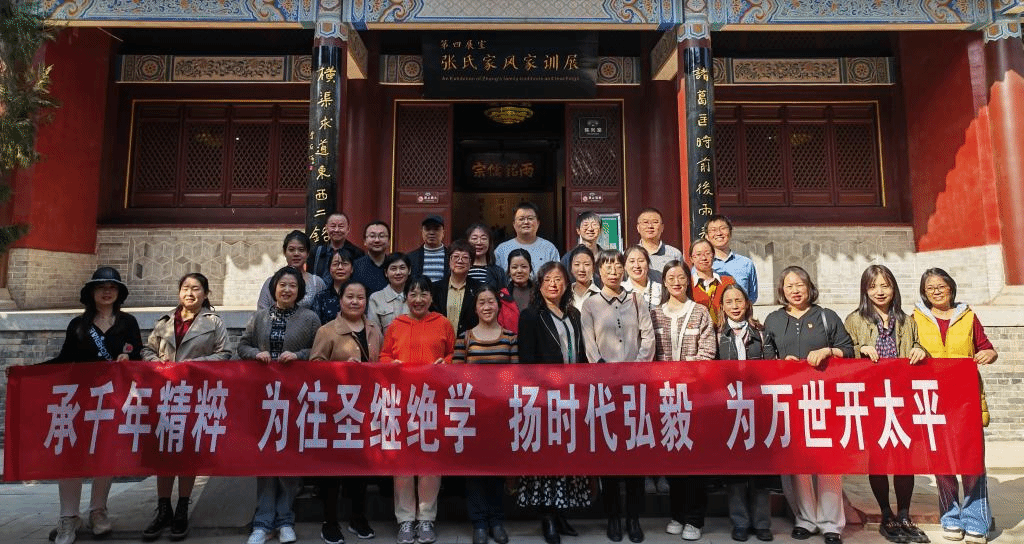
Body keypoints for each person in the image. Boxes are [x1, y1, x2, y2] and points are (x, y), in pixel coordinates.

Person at [46, 266, 143, 544]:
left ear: (119, 293)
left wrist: (129, 359)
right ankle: (68, 517)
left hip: (112, 399)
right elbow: (64, 360)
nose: (107, 291)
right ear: (91, 292)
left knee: (105, 453)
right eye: (101, 286)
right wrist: (27, 372)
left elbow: (139, 355)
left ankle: (98, 511)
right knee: (72, 456)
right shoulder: (78, 325)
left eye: (112, 287)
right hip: (80, 400)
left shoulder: (128, 323)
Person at [763, 266, 854, 544]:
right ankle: (805, 518)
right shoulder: (773, 320)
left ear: (809, 287)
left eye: (800, 284)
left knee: (828, 461)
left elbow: (848, 350)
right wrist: (781, 363)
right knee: (798, 462)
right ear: (782, 291)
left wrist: (828, 351)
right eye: (789, 286)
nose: (795, 290)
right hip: (790, 399)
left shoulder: (827, 316)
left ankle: (831, 523)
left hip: (825, 398)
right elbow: (765, 357)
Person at [140, 272, 231, 541]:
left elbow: (225, 353)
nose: (190, 293)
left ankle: (182, 507)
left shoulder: (213, 322)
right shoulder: (165, 321)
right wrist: (158, 364)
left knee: (186, 451)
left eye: (196, 288)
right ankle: (163, 509)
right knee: (163, 451)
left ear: (206, 293)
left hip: (194, 394)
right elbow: (147, 350)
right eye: (185, 288)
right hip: (165, 393)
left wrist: (196, 365)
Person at [842, 265, 929, 544]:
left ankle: (904, 514)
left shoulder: (907, 320)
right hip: (872, 398)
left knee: (904, 457)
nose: (879, 292)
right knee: (878, 457)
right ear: (865, 291)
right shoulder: (854, 320)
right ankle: (886, 513)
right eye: (873, 286)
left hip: (902, 398)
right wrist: (860, 350)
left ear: (894, 289)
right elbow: (844, 353)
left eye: (885, 285)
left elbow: (920, 345)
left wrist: (919, 350)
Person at [912, 268, 997, 544]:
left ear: (951, 288)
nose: (936, 292)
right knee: (942, 462)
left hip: (966, 401)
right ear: (924, 294)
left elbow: (987, 347)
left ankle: (976, 520)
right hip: (934, 402)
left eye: (941, 286)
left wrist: (988, 354)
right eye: (930, 288)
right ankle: (950, 517)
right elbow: (907, 351)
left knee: (971, 461)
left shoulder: (968, 317)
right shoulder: (915, 319)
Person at [238, 266, 321, 544]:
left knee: (288, 459)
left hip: (294, 398)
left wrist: (298, 355)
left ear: (300, 291)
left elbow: (318, 350)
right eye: (282, 285)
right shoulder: (259, 317)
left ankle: (285, 519)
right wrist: (255, 353)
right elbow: (242, 345)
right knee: (264, 457)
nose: (287, 290)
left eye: (292, 286)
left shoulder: (310, 318)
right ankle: (262, 522)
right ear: (274, 288)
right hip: (264, 397)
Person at [581, 250, 655, 544]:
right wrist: (607, 373)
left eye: (617, 266)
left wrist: (636, 369)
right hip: (606, 389)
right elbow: (589, 345)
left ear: (624, 270)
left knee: (635, 455)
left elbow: (648, 337)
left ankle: (633, 518)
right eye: (607, 266)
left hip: (635, 387)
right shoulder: (590, 304)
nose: (613, 271)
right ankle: (613, 516)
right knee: (609, 454)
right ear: (598, 271)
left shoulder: (637, 300)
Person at [516, 261, 590, 544]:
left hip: (572, 397)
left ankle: (561, 514)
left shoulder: (573, 314)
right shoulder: (531, 316)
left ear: (566, 284)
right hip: (545, 398)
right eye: (547, 279)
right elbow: (527, 361)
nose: (553, 284)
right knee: (546, 458)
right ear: (539, 284)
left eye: (558, 279)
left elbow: (580, 353)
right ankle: (547, 517)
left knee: (566, 457)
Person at [379, 276, 456, 544]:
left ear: (432, 298)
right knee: (402, 462)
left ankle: (426, 518)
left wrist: (446, 363)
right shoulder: (396, 325)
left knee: (430, 462)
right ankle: (405, 520)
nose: (419, 299)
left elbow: (453, 354)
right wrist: (390, 364)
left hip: (433, 402)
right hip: (402, 402)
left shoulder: (443, 323)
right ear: (406, 298)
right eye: (413, 294)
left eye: (424, 294)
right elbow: (384, 356)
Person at [310, 281, 383, 544]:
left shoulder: (374, 330)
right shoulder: (327, 330)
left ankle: (357, 517)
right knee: (333, 469)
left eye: (360, 297)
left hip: (365, 408)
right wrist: (340, 368)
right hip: (336, 409)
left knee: (362, 467)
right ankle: (329, 522)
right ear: (340, 300)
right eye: (349, 296)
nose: (355, 301)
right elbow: (314, 367)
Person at [651, 261, 715, 541]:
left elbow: (708, 352)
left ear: (688, 281)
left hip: (695, 397)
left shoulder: (700, 312)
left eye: (681, 277)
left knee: (695, 460)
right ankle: (676, 515)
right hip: (665, 397)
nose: (676, 282)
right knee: (673, 459)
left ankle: (694, 519)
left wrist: (685, 374)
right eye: (671, 278)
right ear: (664, 282)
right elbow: (650, 353)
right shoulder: (654, 314)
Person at [452, 286, 517, 544]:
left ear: (498, 306)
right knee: (475, 471)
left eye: (491, 302)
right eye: (482, 302)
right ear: (475, 307)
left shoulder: (510, 338)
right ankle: (479, 523)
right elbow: (456, 377)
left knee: (497, 470)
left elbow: (516, 376)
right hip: (473, 415)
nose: (487, 307)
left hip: (500, 415)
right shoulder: (465, 338)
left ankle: (497, 521)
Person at [715, 283, 776, 543]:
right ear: (722, 307)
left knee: (761, 469)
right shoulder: (718, 334)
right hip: (730, 409)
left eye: (739, 300)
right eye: (729, 302)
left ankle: (762, 523)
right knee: (736, 469)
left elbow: (773, 368)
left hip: (759, 407)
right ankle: (739, 522)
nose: (735, 306)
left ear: (747, 303)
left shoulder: (761, 333)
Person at [258, 230, 327, 311]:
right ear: (284, 252)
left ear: (308, 253)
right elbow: (261, 314)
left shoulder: (317, 283)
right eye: (291, 250)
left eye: (301, 250)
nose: (296, 254)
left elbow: (324, 313)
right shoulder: (272, 282)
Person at [430, 240, 483, 337]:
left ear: (471, 263)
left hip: (469, 342)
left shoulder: (479, 289)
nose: (460, 261)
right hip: (439, 341)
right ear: (449, 261)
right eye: (455, 257)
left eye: (465, 257)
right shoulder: (435, 288)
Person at [705, 214, 759, 304]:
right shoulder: (702, 266)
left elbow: (752, 297)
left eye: (723, 228)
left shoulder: (746, 263)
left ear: (730, 233)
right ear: (707, 236)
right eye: (713, 230)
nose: (719, 233)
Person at [494, 202, 560, 273]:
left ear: (538, 223)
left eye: (530, 218)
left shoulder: (549, 249)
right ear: (514, 224)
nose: (526, 222)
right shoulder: (501, 250)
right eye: (521, 219)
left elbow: (557, 274)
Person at [690, 238, 737, 325]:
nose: (704, 258)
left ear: (713, 255)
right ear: (691, 259)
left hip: (725, 330)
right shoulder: (688, 285)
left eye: (708, 253)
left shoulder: (728, 282)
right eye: (698, 254)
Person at [309, 212, 366, 281]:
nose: (336, 230)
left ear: (348, 229)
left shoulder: (357, 253)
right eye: (333, 226)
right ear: (326, 228)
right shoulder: (316, 252)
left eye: (341, 226)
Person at [368, 253, 411, 333]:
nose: (398, 272)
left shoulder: (415, 297)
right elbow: (374, 333)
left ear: (409, 271)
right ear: (386, 273)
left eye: (402, 268)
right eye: (393, 269)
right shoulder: (376, 298)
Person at [311, 249, 355, 325]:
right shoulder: (320, 297)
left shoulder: (359, 295)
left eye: (344, 264)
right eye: (335, 264)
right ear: (329, 269)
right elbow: (315, 325)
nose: (340, 267)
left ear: (352, 269)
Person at [636, 207, 682, 275]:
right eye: (645, 222)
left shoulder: (674, 254)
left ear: (662, 227)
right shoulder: (630, 255)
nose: (650, 226)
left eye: (655, 222)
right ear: (638, 228)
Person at [351, 221, 392, 295]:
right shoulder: (354, 267)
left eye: (381, 236)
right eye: (372, 236)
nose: (377, 240)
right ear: (365, 241)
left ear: (389, 241)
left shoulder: (394, 266)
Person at [560, 211, 603, 279]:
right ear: (578, 230)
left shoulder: (606, 257)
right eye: (586, 225)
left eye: (594, 225)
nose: (590, 229)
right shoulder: (567, 258)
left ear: (600, 230)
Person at [466, 223, 509, 289]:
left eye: (483, 238)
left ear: (490, 243)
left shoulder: (498, 272)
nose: (479, 242)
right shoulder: (460, 269)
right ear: (467, 242)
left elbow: (503, 294)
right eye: (474, 238)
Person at [407, 215, 449, 282]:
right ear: (422, 232)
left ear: (443, 232)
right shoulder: (411, 258)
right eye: (428, 229)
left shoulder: (451, 257)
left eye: (436, 229)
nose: (431, 233)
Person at [622, 245, 662, 313]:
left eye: (641, 261)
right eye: (632, 261)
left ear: (648, 264)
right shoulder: (619, 289)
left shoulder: (660, 289)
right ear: (625, 266)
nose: (637, 265)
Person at [568, 246, 600, 311]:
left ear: (593, 268)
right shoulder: (565, 295)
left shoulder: (600, 295)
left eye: (587, 264)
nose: (582, 269)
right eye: (577, 264)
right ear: (571, 268)